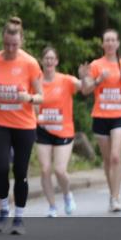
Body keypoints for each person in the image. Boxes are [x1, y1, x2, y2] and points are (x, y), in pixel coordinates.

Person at [0, 17, 43, 235]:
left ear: (21, 41)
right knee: (0, 168)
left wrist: (28, 97)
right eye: (7, 44)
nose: (10, 49)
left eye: (14, 45)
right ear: (2, 40)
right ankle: (4, 209)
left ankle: (19, 217)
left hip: (24, 124)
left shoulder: (30, 63)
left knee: (20, 171)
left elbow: (40, 96)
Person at [79, 29, 121, 212]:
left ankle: (117, 197)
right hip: (101, 115)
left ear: (118, 44)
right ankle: (112, 194)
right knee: (108, 159)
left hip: (120, 114)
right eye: (106, 40)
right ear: (103, 44)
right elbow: (85, 91)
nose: (110, 43)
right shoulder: (95, 65)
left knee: (117, 157)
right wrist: (96, 82)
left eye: (113, 40)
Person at [34, 47, 81, 217]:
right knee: (45, 169)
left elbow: (83, 87)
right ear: (41, 61)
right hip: (43, 129)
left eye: (52, 58)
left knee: (60, 170)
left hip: (64, 130)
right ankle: (52, 206)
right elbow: (30, 102)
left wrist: (84, 77)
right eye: (46, 58)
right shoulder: (36, 81)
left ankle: (67, 195)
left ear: (57, 61)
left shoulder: (66, 80)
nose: (49, 61)